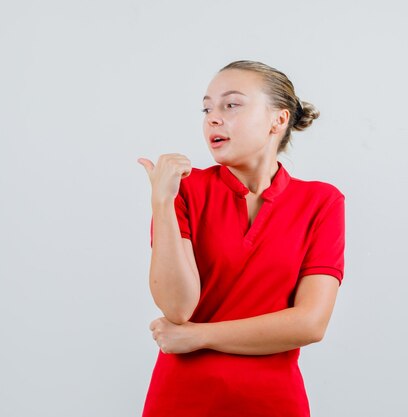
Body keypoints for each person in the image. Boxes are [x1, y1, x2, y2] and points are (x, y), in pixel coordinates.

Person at [136, 60, 345, 417]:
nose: (212, 118)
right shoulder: (184, 190)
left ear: (278, 120)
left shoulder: (321, 202)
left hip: (275, 401)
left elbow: (310, 323)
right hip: (182, 399)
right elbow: (177, 307)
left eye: (231, 105)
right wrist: (161, 201)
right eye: (207, 108)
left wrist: (198, 336)